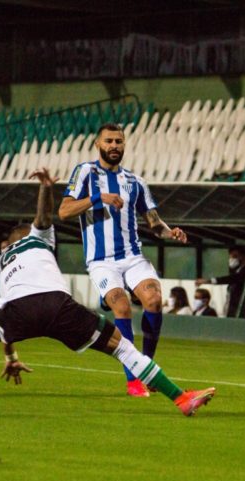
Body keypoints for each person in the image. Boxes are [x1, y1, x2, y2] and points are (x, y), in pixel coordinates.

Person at [0, 168, 215, 416]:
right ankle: (181, 398)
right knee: (122, 348)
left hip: (20, 310)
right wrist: (46, 188)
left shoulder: (0, 266)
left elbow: (2, 317)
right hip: (59, 305)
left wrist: (11, 357)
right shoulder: (36, 238)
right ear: (27, 233)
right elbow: (43, 217)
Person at [58, 123, 188, 397]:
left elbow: (153, 222)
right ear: (98, 144)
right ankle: (133, 381)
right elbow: (64, 211)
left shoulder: (135, 182)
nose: (114, 145)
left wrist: (170, 232)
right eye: (108, 141)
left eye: (118, 141)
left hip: (132, 256)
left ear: (124, 145)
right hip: (101, 260)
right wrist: (98, 198)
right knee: (122, 306)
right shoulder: (85, 172)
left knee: (154, 300)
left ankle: (147, 367)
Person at [195, 246, 245, 319]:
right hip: (234, 316)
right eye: (230, 257)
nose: (231, 260)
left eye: (235, 256)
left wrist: (208, 281)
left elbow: (231, 279)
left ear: (243, 257)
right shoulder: (235, 273)